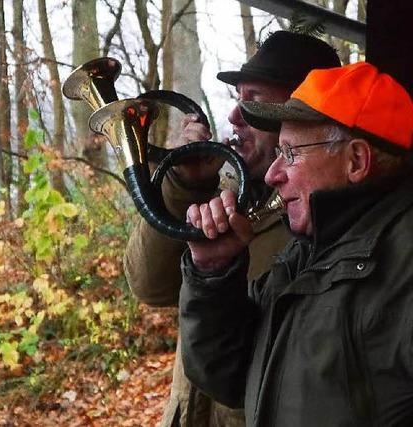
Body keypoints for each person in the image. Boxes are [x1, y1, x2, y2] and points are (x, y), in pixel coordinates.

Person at [123, 31, 340, 427]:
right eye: (238, 99)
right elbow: (149, 286)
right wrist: (183, 186)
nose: (234, 117)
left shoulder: (320, 219)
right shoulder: (226, 193)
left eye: (254, 101)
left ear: (302, 112)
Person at [180, 62, 413, 426]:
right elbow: (229, 378)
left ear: (356, 160)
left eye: (289, 154)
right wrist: (214, 275)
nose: (273, 175)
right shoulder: (306, 251)